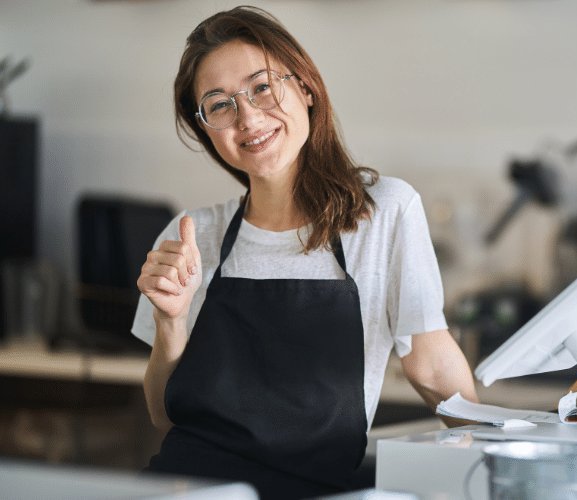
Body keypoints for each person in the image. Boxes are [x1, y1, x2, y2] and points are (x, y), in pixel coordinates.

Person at [131, 6, 478, 499]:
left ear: (307, 88)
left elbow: (430, 364)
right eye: (219, 104)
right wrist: (171, 321)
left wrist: (493, 457)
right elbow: (164, 415)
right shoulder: (191, 236)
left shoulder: (384, 213)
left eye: (263, 86)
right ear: (206, 126)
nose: (247, 116)